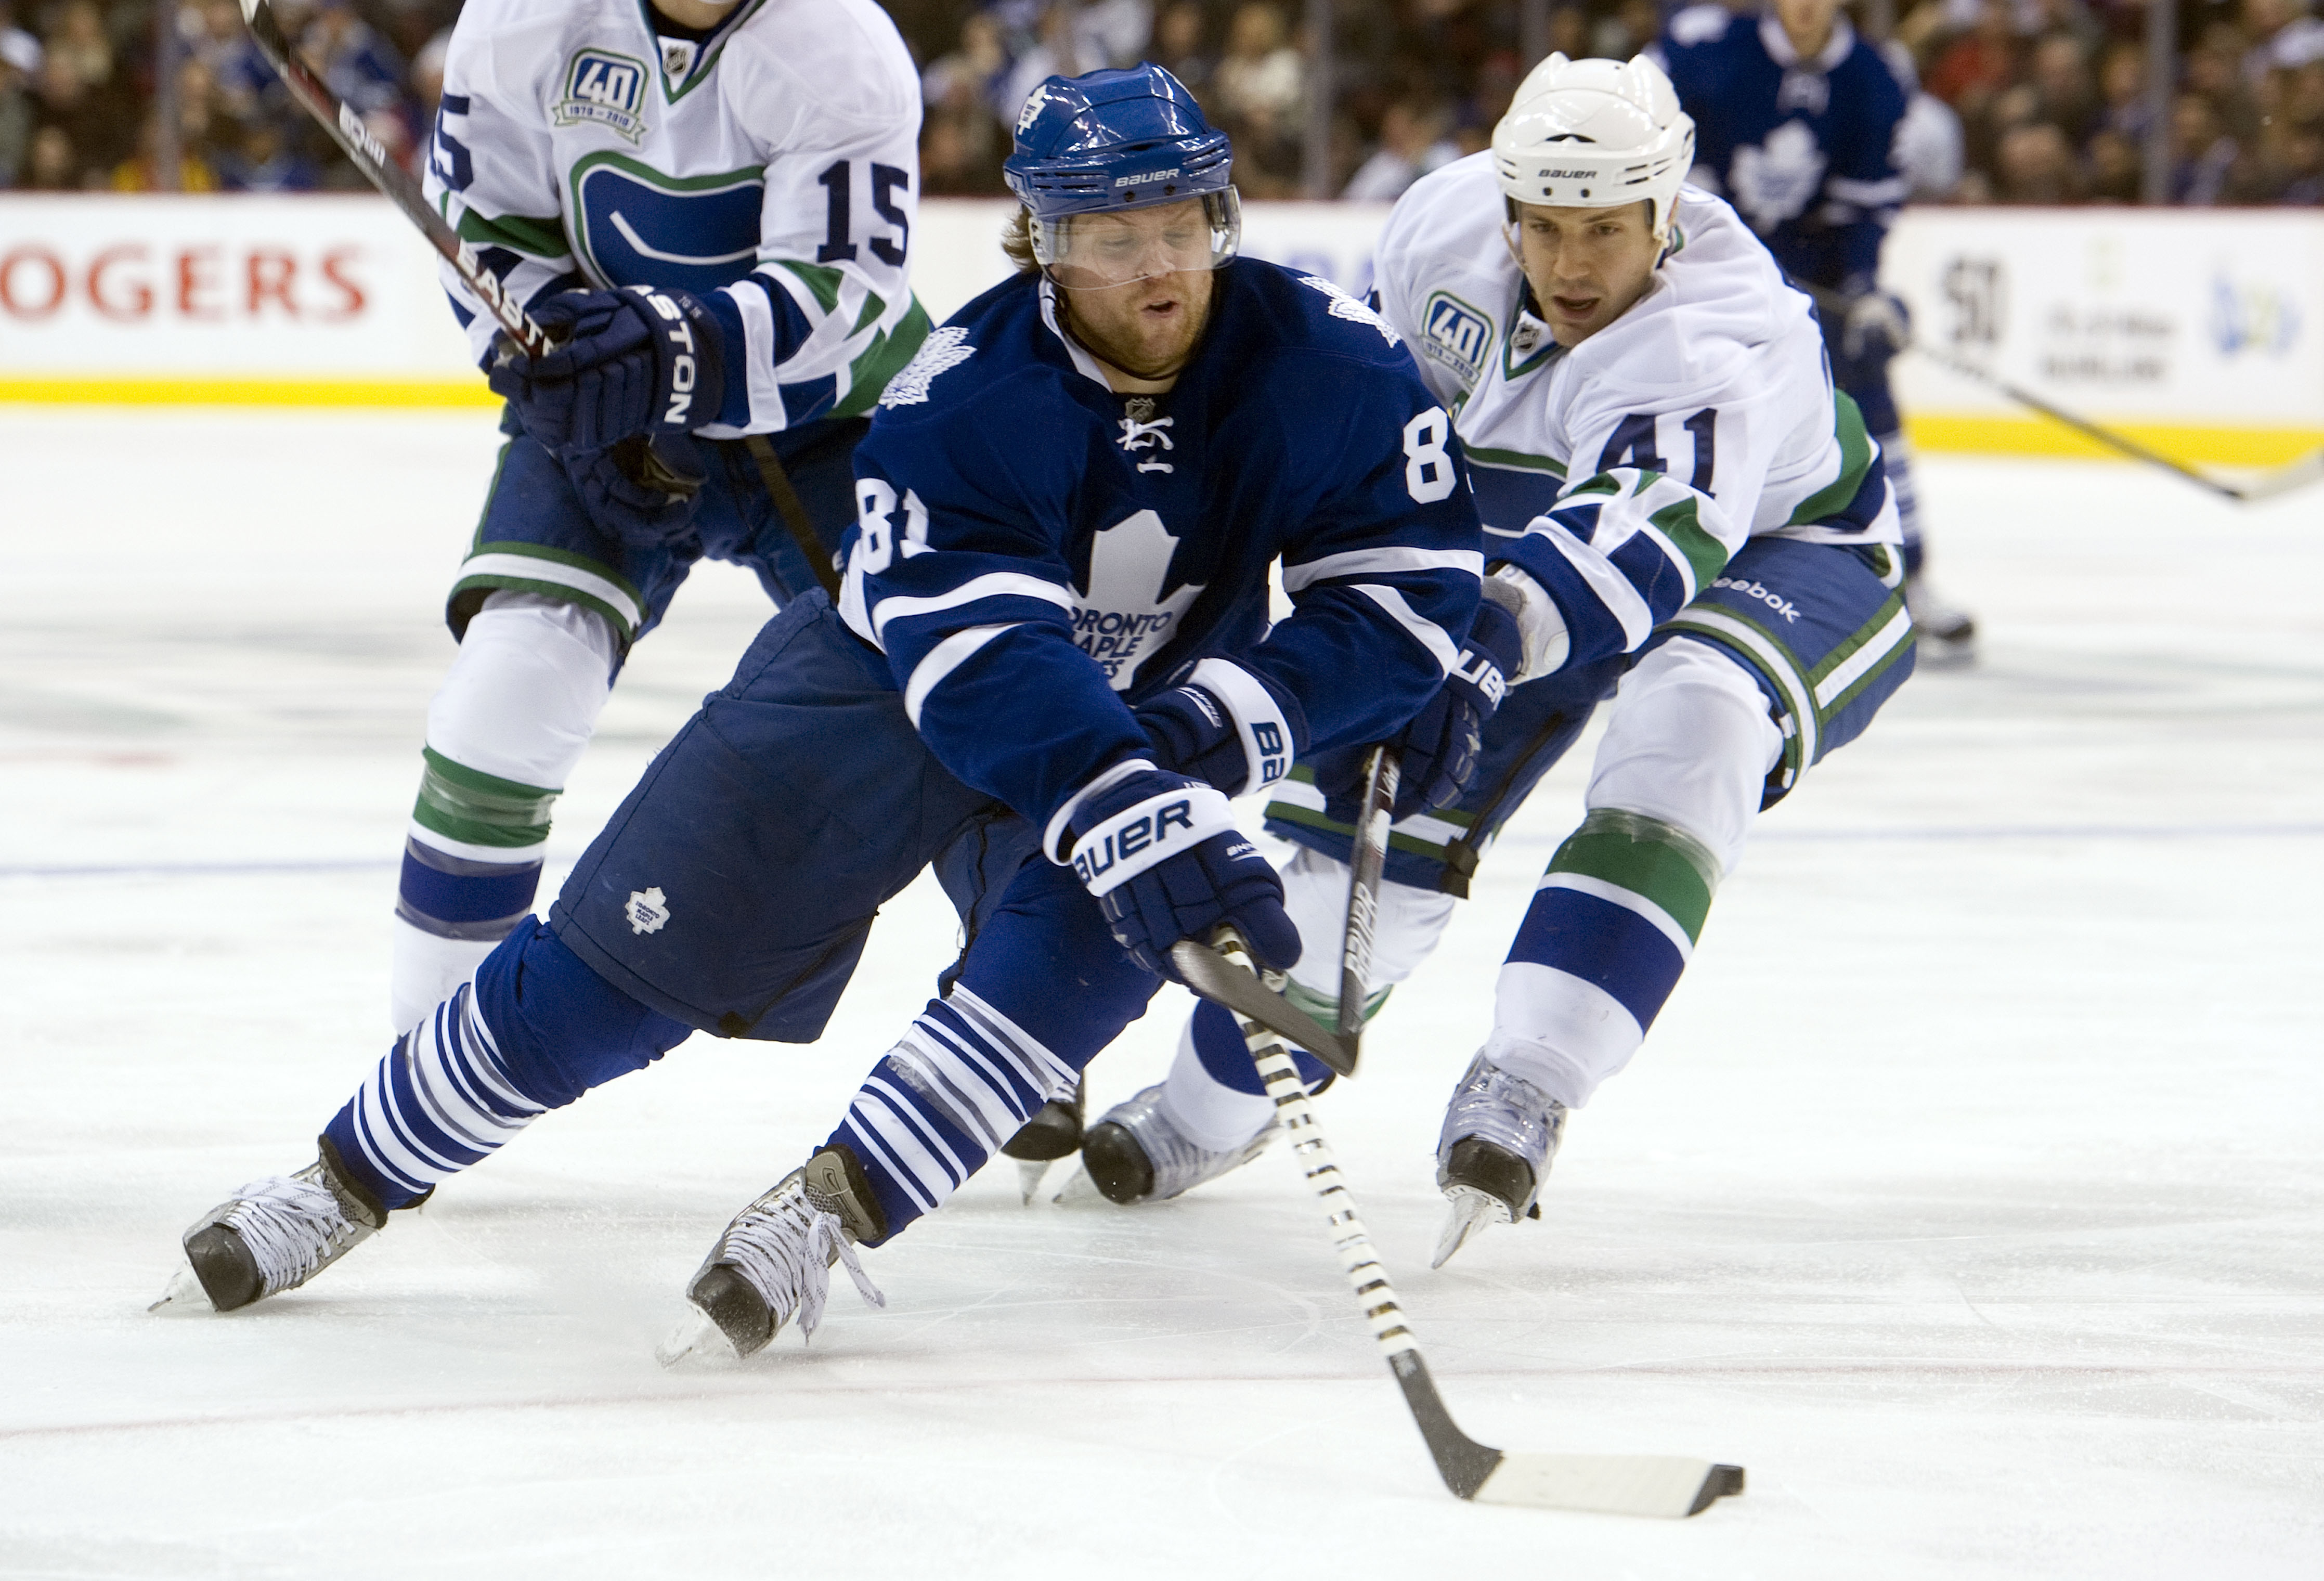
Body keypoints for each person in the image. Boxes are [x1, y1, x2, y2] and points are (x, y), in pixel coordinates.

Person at [154, 66, 1486, 1359]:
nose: (1155, 269)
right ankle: (346, 1176)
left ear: (1222, 217)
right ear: (1040, 244)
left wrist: (1270, 713)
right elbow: (985, 660)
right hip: (878, 697)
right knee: (604, 985)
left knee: (1068, 974)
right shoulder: (961, 396)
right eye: (1107, 235)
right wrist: (1138, 797)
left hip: (1144, 724)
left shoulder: (1331, 360)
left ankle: (821, 1214)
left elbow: (1406, 580)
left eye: (1180, 224)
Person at [1067, 54, 1915, 1268]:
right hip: (1519, 563)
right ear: (1508, 208)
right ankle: (1208, 1113)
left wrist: (1472, 647)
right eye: (1547, 229)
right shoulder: (1442, 227)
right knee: (1355, 852)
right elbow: (1381, 440)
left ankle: (1533, 1074)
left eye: (1607, 234)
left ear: (1663, 216)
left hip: (1782, 555)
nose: (1571, 267)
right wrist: (1379, 622)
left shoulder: (1723, 331)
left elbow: (1641, 537)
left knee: (1696, 716)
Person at [384, 0, 930, 1034]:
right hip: (607, 405)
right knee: (503, 695)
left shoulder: (839, 43)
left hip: (831, 420)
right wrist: (555, 363)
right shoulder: (520, 18)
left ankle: (1016, 1013)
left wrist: (665, 354)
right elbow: (484, 220)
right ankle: (427, 1057)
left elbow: (841, 291)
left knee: (951, 696)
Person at [1654, 0, 1976, 663]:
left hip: (1811, 277)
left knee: (1867, 386)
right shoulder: (1706, 49)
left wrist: (1862, 288)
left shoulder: (1872, 76)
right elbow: (1677, 181)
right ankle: (1667, 572)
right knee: (1688, 411)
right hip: (1706, 271)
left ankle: (1905, 574)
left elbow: (1865, 205)